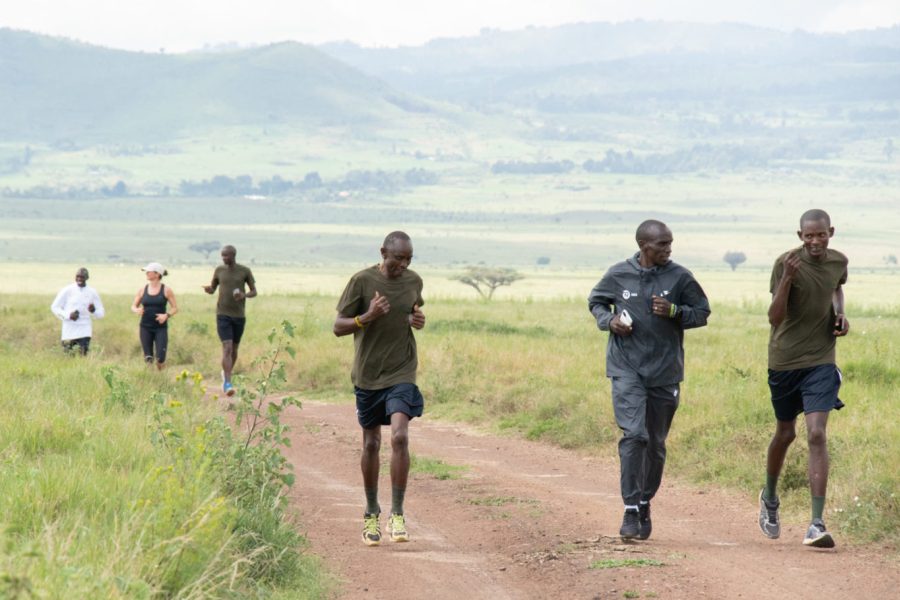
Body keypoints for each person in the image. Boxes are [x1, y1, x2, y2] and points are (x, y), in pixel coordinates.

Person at [588, 220, 710, 541]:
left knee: (655, 444)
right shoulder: (618, 274)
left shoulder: (680, 276)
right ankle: (629, 509)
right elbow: (596, 301)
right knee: (635, 436)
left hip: (665, 372)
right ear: (645, 247)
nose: (669, 249)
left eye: (670, 244)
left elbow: (702, 313)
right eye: (663, 245)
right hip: (626, 368)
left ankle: (644, 501)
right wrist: (610, 320)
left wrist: (675, 312)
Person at [758, 209, 848, 549]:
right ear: (800, 236)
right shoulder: (786, 262)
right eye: (808, 236)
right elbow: (774, 316)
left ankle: (816, 522)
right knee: (785, 433)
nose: (815, 241)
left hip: (821, 360)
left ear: (831, 232)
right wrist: (786, 281)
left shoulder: (839, 261)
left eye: (820, 234)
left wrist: (840, 315)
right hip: (784, 361)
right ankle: (769, 497)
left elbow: (836, 289)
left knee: (816, 433)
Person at [333, 231, 426, 547]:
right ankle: (371, 511)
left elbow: (413, 309)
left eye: (409, 259)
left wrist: (417, 319)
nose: (404, 264)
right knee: (371, 443)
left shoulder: (414, 280)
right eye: (399, 257)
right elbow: (338, 327)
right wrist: (367, 317)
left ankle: (397, 514)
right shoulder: (361, 281)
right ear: (383, 252)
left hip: (402, 370)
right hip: (368, 374)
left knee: (400, 436)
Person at [202, 245, 256, 396]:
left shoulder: (244, 271)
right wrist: (209, 290)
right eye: (222, 256)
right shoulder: (219, 270)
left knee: (234, 350)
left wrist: (243, 296)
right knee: (227, 347)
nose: (224, 258)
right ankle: (227, 383)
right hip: (222, 314)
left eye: (226, 256)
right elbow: (213, 289)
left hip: (239, 316)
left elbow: (254, 292)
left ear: (233, 255)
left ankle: (226, 373)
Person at [131, 262, 178, 369]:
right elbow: (133, 306)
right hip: (145, 327)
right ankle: (152, 381)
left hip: (160, 328)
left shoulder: (166, 290)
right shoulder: (143, 289)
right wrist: (136, 310)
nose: (146, 273)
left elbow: (175, 308)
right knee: (148, 358)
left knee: (160, 359)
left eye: (149, 271)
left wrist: (166, 315)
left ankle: (162, 378)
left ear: (157, 274)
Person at [50, 267, 106, 355]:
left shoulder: (92, 292)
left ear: (87, 278)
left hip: (85, 328)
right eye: (77, 277)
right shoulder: (67, 290)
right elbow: (55, 307)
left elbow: (101, 313)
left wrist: (93, 311)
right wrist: (68, 315)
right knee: (68, 355)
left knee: (83, 353)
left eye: (82, 277)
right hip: (69, 328)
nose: (79, 279)